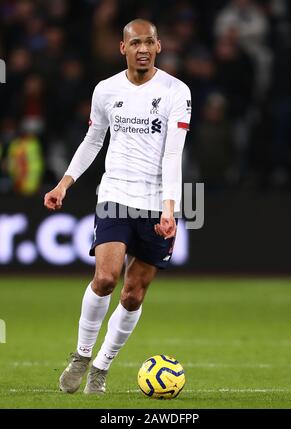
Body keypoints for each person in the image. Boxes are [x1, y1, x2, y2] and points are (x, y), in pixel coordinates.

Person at [44, 18, 191, 395]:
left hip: (157, 201)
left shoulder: (176, 90)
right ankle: (81, 355)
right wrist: (64, 183)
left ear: (159, 46)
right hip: (114, 196)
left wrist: (170, 208)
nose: (142, 48)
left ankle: (101, 367)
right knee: (107, 277)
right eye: (135, 42)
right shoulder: (106, 90)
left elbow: (174, 154)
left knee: (133, 293)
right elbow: (93, 140)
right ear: (122, 48)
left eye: (149, 42)